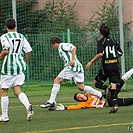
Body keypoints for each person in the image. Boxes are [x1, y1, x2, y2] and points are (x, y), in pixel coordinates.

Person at [40, 36, 104, 109]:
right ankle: (101, 95)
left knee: (56, 80)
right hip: (78, 67)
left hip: (72, 67)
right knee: (81, 87)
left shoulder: (62, 45)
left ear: (54, 43)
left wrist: (72, 60)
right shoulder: (60, 49)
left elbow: (73, 47)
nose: (53, 47)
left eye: (53, 45)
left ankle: (51, 101)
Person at [0, 18, 34, 122]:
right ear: (15, 26)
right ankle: (28, 105)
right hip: (19, 66)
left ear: (6, 27)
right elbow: (28, 51)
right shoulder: (21, 36)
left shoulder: (4, 36)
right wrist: (25, 63)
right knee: (17, 90)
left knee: (4, 90)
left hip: (8, 68)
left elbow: (6, 51)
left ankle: (5, 116)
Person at [85, 23, 123, 113]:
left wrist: (91, 62)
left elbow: (100, 54)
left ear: (100, 33)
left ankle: (106, 88)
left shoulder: (101, 42)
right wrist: (113, 58)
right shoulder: (113, 41)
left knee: (96, 82)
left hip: (106, 66)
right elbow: (120, 53)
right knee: (114, 86)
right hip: (115, 66)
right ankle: (114, 104)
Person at [55, 92, 133, 111]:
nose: (80, 97)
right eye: (78, 98)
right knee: (127, 102)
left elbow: (99, 93)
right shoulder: (84, 104)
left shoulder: (89, 93)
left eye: (80, 95)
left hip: (108, 98)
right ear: (79, 100)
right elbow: (76, 107)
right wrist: (65, 107)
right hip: (108, 104)